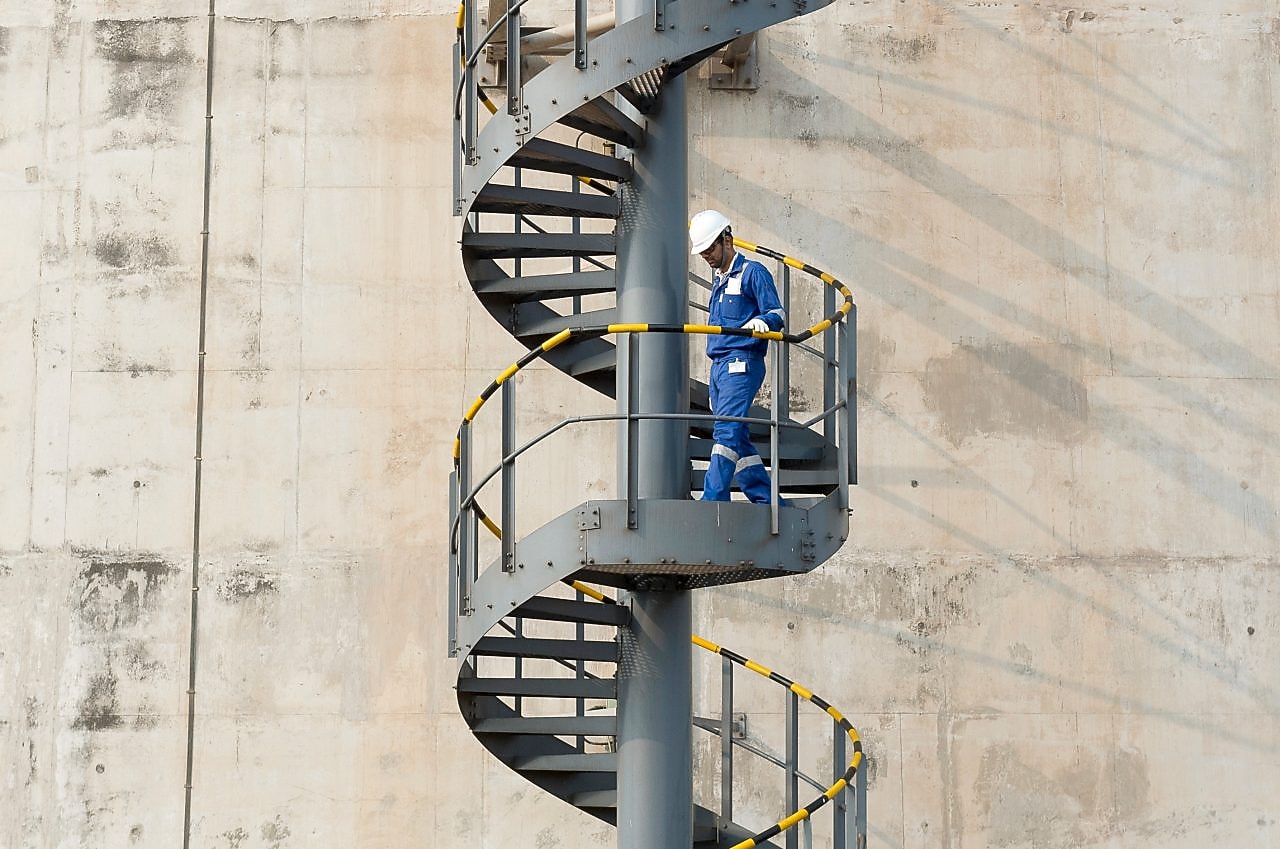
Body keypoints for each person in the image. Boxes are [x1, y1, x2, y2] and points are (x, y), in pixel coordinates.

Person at [689, 209, 787, 504]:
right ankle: (767, 500)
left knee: (727, 432)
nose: (706, 256)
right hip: (719, 367)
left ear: (726, 239)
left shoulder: (752, 272)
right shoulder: (719, 281)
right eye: (702, 253)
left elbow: (777, 313)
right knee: (738, 437)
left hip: (741, 363)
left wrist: (763, 322)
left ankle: (713, 500)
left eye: (710, 249)